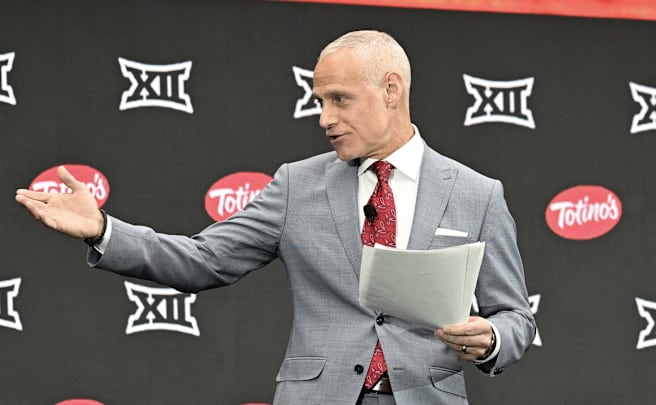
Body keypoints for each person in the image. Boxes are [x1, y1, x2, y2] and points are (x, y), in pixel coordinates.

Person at [15, 30, 535, 404]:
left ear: (392, 90)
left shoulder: (477, 193)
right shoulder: (297, 185)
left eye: (340, 99)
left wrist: (490, 339)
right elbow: (204, 259)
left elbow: (515, 317)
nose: (325, 118)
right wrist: (104, 229)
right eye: (319, 101)